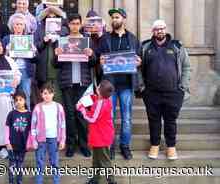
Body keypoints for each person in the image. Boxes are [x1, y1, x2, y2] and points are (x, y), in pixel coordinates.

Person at [141, 20, 191, 160]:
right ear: (153, 31)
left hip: (173, 92)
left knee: (170, 120)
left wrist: (183, 86)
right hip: (151, 92)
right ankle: (155, 145)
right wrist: (142, 87)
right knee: (154, 120)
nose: (160, 31)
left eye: (162, 28)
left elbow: (186, 66)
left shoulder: (176, 46)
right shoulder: (145, 47)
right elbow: (138, 68)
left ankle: (171, 147)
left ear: (166, 29)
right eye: (157, 29)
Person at [97, 8, 142, 160]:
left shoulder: (133, 39)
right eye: (112, 18)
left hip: (126, 85)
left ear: (124, 18)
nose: (114, 20)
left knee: (127, 117)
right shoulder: (105, 38)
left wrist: (139, 62)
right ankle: (110, 146)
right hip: (109, 86)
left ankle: (125, 146)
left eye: (117, 17)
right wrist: (100, 62)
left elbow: (139, 59)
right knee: (108, 117)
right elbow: (99, 58)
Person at [53, 13, 96, 158]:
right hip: (68, 84)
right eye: (72, 23)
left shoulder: (87, 41)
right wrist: (56, 54)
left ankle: (84, 145)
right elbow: (55, 64)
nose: (75, 26)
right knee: (70, 115)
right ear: (68, 25)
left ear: (81, 24)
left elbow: (93, 63)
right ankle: (71, 144)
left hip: (84, 84)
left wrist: (91, 54)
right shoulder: (62, 41)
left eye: (77, 23)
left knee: (82, 115)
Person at [77, 80, 116, 184]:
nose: (96, 88)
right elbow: (95, 99)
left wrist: (82, 109)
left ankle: (111, 181)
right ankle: (95, 179)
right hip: (100, 136)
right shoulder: (104, 100)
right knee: (97, 160)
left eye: (98, 87)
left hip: (101, 137)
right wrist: (91, 97)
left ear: (100, 91)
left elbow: (92, 119)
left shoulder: (101, 104)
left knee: (104, 161)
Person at [26, 82, 66, 184]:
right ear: (41, 94)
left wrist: (62, 139)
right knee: (39, 161)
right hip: (40, 140)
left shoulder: (58, 107)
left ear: (53, 94)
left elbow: (62, 124)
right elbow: (33, 125)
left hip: (53, 138)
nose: (47, 95)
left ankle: (56, 181)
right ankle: (39, 181)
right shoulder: (38, 108)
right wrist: (34, 140)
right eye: (44, 93)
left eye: (49, 93)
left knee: (55, 161)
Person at [3, 13, 37, 109]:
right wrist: (6, 51)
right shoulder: (6, 39)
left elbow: (35, 59)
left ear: (24, 26)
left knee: (25, 97)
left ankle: (26, 120)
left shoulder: (29, 39)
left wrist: (34, 52)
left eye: (21, 24)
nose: (18, 26)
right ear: (12, 26)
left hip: (25, 72)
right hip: (11, 72)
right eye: (16, 24)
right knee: (10, 97)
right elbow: (2, 58)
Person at [34, 5, 67, 103]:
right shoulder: (39, 30)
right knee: (45, 98)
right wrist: (44, 41)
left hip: (59, 71)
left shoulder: (64, 30)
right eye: (49, 17)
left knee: (58, 98)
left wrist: (58, 39)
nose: (51, 19)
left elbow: (67, 47)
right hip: (44, 71)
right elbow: (35, 48)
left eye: (54, 17)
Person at [5, 90, 31, 184]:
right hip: (12, 145)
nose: (18, 102)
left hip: (23, 145)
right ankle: (11, 182)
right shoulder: (11, 114)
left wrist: (29, 143)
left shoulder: (29, 115)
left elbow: (31, 131)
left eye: (20, 99)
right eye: (16, 100)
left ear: (25, 100)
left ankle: (19, 181)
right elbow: (7, 128)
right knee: (12, 165)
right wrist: (7, 142)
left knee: (19, 165)